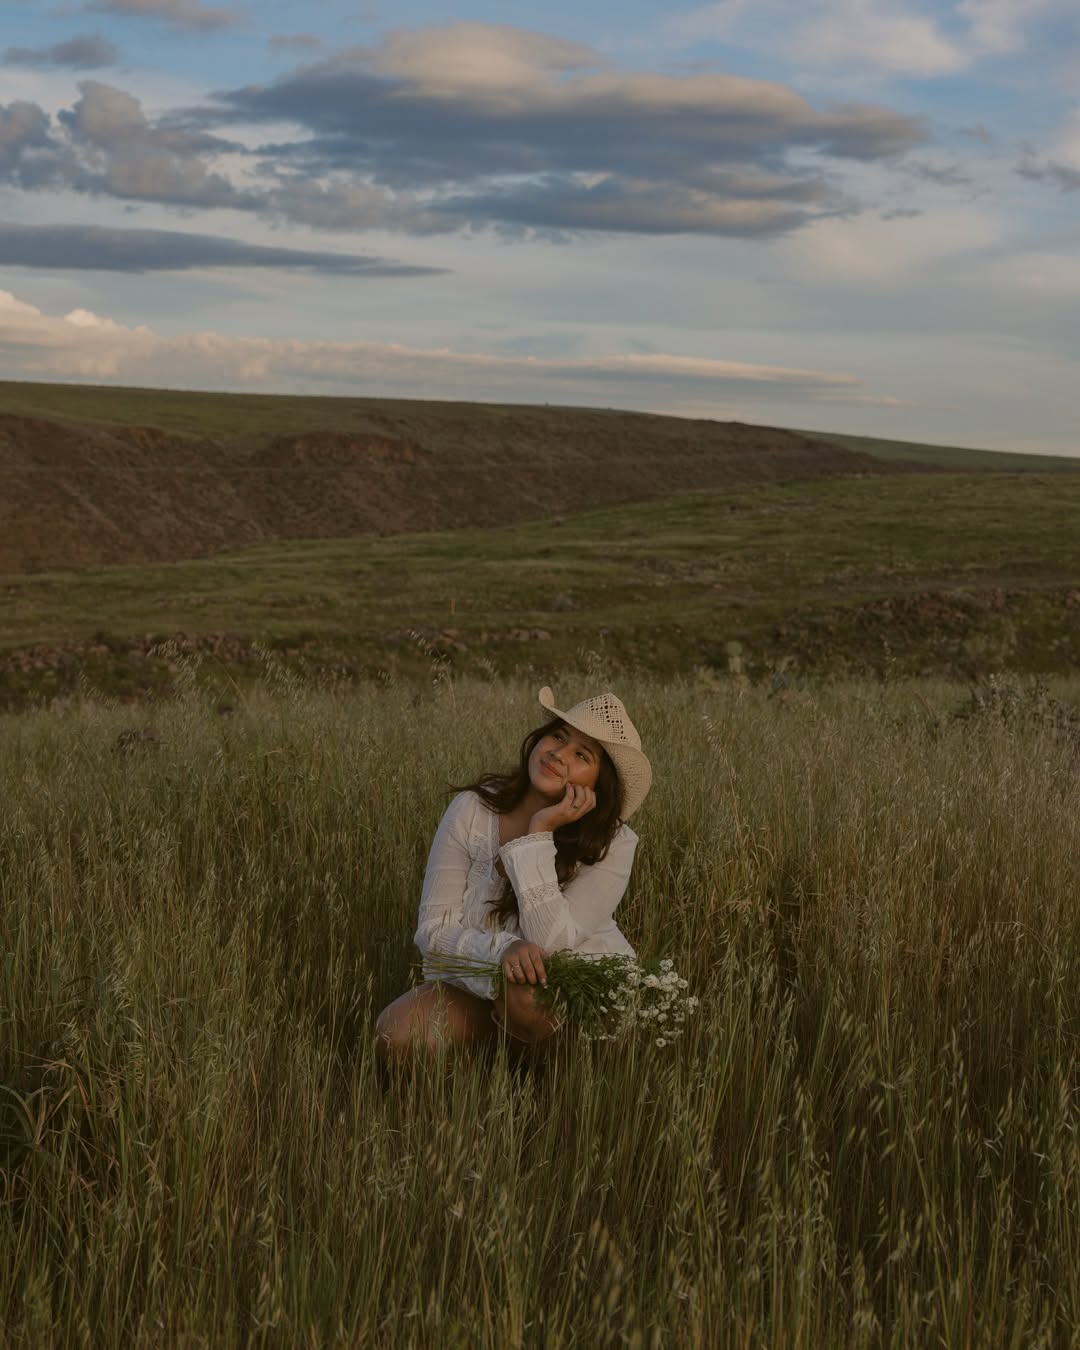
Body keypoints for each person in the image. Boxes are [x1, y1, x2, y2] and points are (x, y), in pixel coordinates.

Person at [374, 686, 652, 1061]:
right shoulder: (472, 809)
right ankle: (482, 1067)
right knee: (396, 1034)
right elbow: (432, 931)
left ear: (597, 786)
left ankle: (541, 1087)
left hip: (559, 997)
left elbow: (552, 943)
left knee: (524, 993)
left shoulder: (614, 845)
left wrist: (539, 833)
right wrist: (503, 950)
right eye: (558, 735)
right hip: (479, 981)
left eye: (581, 755)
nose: (558, 753)